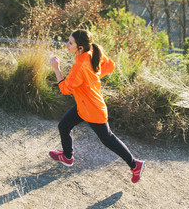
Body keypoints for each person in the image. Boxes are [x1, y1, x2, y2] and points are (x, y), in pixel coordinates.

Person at [49, 29, 144, 184]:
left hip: (92, 110)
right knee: (64, 126)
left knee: (108, 139)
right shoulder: (93, 52)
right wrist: (92, 78)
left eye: (70, 43)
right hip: (85, 105)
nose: (67, 45)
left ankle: (135, 165)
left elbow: (65, 89)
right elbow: (109, 66)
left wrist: (56, 68)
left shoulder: (79, 66)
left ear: (80, 48)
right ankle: (67, 157)